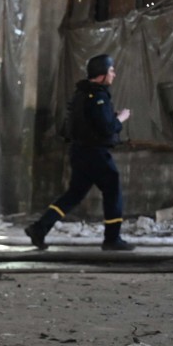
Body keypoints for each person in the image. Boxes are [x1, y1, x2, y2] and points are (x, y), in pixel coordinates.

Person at [24, 54, 134, 251]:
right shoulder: (97, 95)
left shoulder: (81, 93)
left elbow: (88, 123)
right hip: (95, 154)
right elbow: (107, 128)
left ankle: (40, 228)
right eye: (111, 70)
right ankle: (112, 238)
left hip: (80, 152)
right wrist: (121, 118)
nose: (114, 74)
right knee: (113, 190)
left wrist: (110, 118)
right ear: (101, 74)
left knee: (74, 194)